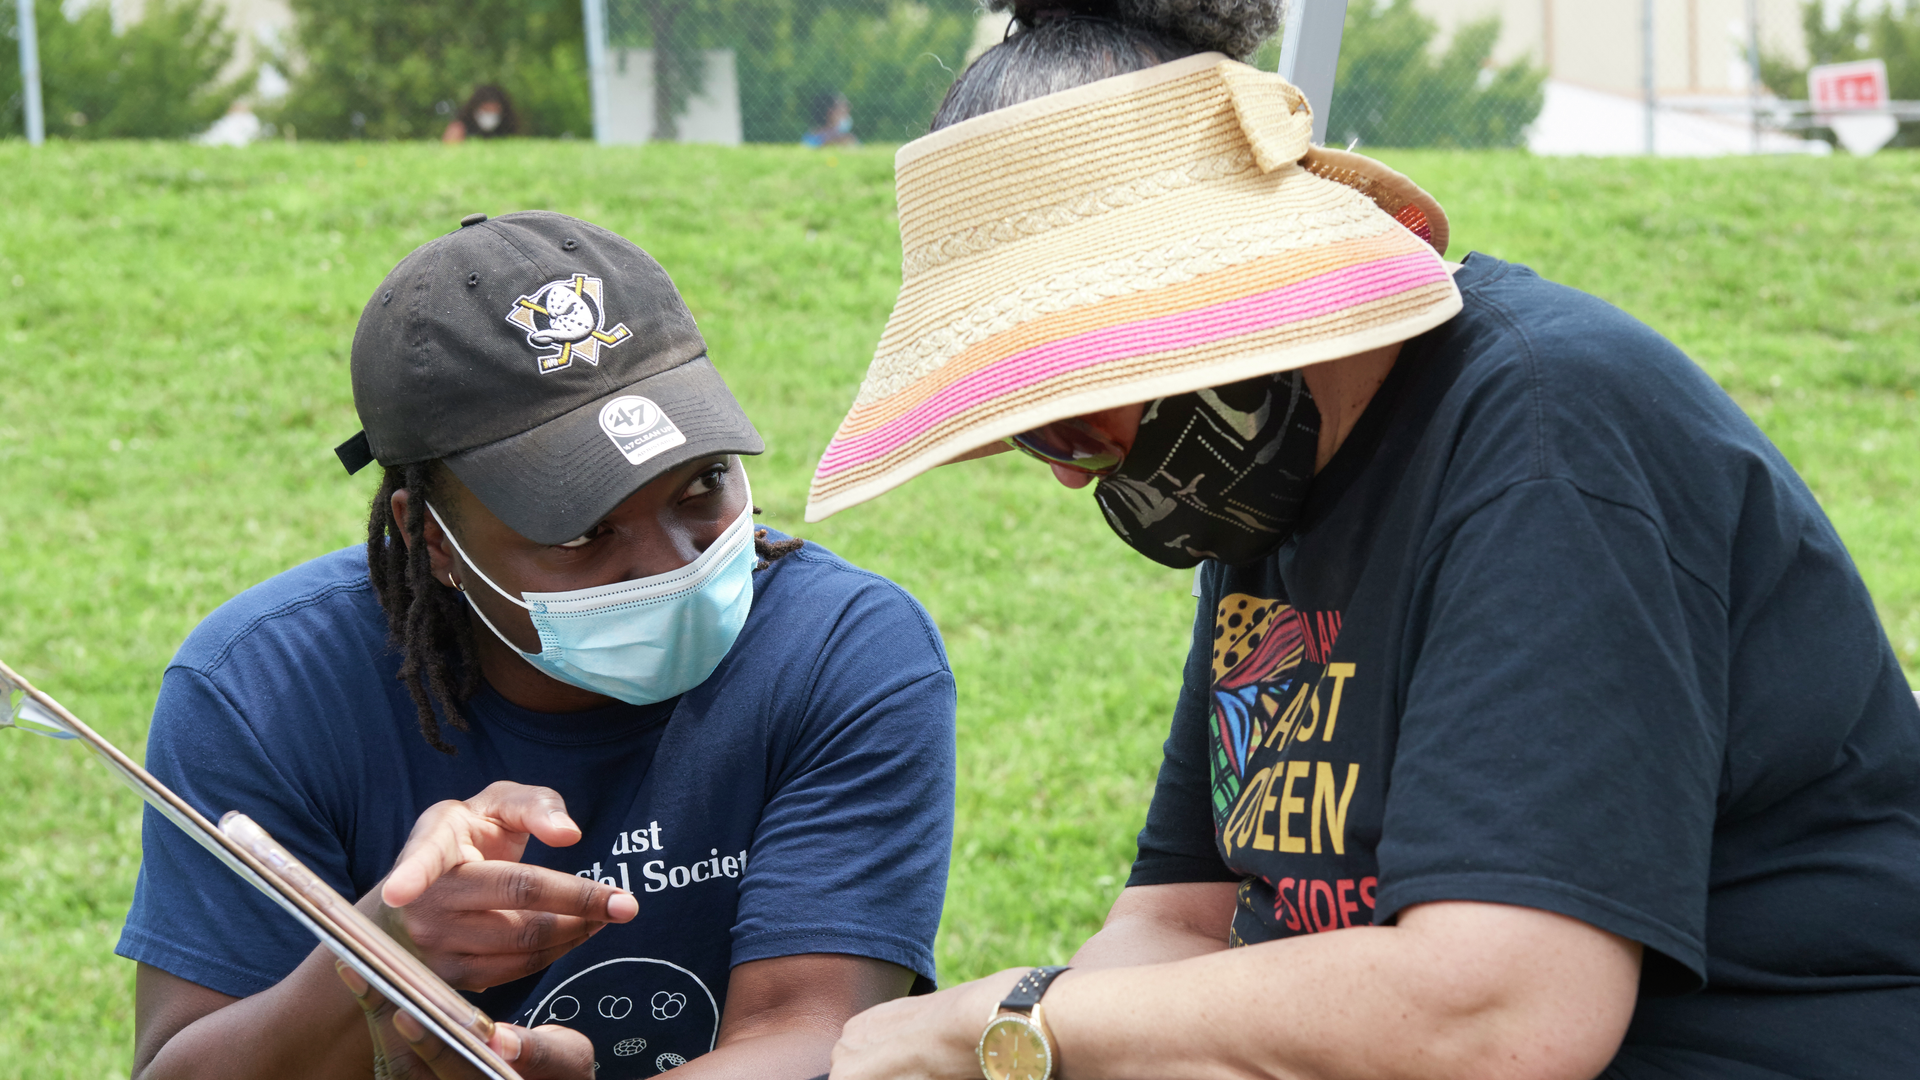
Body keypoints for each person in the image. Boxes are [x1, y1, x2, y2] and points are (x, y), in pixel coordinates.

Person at [804, 2, 1920, 1078]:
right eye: (1024, 432)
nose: (1060, 470)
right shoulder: (1270, 476)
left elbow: (1505, 1020)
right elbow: (1170, 921)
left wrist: (1002, 1025)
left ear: (1221, 305)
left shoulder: (1543, 442)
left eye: (1073, 418)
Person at [119, 210, 957, 1080]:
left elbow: (818, 1035)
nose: (674, 565)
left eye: (702, 484)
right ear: (431, 538)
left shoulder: (841, 649)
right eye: (580, 530)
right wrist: (380, 950)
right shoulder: (263, 689)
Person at [444, 84, 519, 143]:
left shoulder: (507, 130)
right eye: (486, 110)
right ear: (475, 109)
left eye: (494, 111)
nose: (490, 115)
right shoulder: (460, 128)